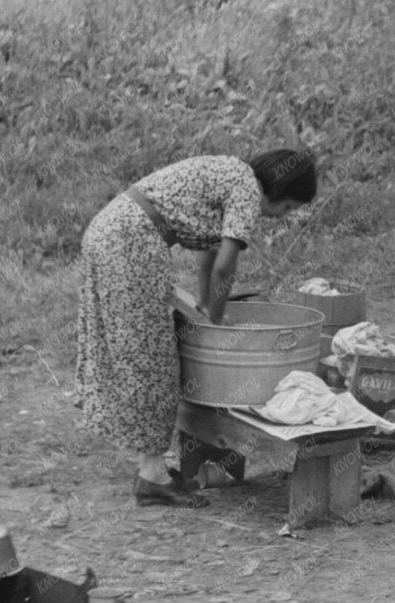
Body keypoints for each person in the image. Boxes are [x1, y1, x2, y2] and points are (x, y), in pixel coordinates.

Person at [77, 147, 317, 507]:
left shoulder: (231, 175)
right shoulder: (248, 191)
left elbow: (206, 259)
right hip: (130, 241)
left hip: (113, 232)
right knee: (153, 357)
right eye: (287, 208)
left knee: (142, 349)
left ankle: (151, 467)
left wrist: (207, 307)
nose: (281, 216)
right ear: (280, 190)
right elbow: (224, 268)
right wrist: (217, 327)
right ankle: (152, 477)